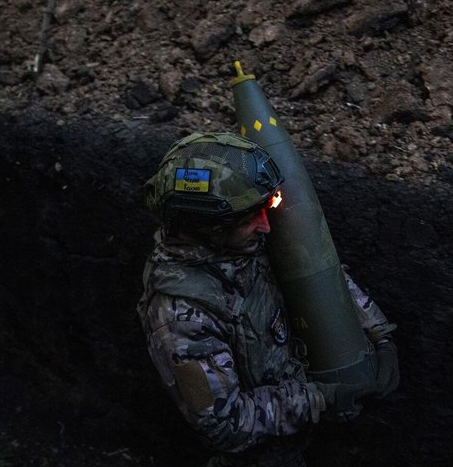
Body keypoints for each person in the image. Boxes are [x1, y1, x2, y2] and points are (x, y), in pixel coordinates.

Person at [137, 132, 399, 467]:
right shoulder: (181, 312)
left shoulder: (241, 243)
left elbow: (317, 273)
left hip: (298, 432)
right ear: (208, 228)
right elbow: (224, 424)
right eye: (249, 219)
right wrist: (318, 398)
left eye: (267, 208)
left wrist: (380, 334)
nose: (266, 226)